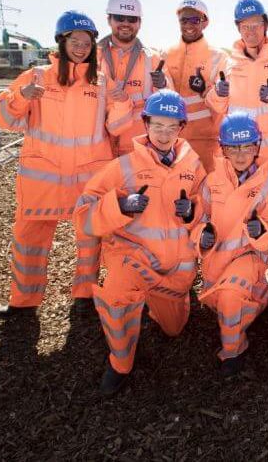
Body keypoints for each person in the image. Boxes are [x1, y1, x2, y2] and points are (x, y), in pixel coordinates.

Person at [0, 10, 134, 318]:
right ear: (61, 41)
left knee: (89, 241)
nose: (81, 47)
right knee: (29, 241)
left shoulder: (101, 82)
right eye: (75, 40)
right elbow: (4, 119)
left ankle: (84, 295)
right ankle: (22, 302)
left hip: (88, 179)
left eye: (87, 42)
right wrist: (22, 97)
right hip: (43, 180)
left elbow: (119, 126)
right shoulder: (36, 77)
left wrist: (122, 100)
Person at [73, 90, 204, 396]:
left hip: (174, 268)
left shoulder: (194, 165)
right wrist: (120, 205)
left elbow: (207, 209)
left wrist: (194, 211)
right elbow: (83, 214)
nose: (164, 133)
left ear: (182, 127)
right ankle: (120, 364)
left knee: (174, 329)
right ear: (145, 123)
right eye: (157, 125)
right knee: (117, 298)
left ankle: (154, 305)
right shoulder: (123, 167)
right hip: (132, 260)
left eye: (172, 126)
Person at [193, 111, 268, 377]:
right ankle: (262, 293)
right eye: (232, 147)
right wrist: (201, 235)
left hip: (250, 259)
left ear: (257, 146)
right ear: (222, 148)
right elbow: (197, 221)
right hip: (215, 263)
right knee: (218, 302)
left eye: (247, 146)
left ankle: (233, 350)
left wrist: (262, 234)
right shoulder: (211, 182)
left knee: (230, 297)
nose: (240, 154)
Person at [206, 0, 268, 190]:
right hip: (238, 153)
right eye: (245, 25)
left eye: (256, 24)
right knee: (240, 212)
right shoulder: (227, 63)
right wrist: (218, 94)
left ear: (265, 25)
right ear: (238, 28)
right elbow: (214, 107)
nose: (251, 31)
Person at [96, 0, 167, 155]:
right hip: (98, 148)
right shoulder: (92, 57)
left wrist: (163, 85)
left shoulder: (154, 58)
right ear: (109, 20)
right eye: (120, 17)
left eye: (132, 19)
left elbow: (168, 99)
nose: (126, 23)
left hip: (137, 148)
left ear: (139, 23)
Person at [162, 0, 227, 173]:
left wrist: (207, 89)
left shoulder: (218, 57)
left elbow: (221, 107)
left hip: (206, 144)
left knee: (205, 197)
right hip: (172, 142)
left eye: (195, 20)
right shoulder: (166, 55)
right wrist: (162, 85)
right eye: (184, 20)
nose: (189, 24)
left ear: (205, 22)